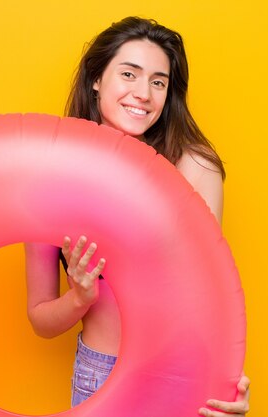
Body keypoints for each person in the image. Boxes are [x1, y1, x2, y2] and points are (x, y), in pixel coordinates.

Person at [24, 16, 250, 416]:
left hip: (180, 371)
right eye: (129, 74)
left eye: (158, 82)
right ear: (96, 79)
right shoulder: (51, 178)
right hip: (101, 373)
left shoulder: (193, 166)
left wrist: (224, 380)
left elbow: (208, 292)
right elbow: (41, 320)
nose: (143, 93)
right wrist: (79, 297)